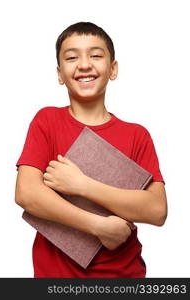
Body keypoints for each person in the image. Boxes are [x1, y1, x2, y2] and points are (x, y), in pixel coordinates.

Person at [15, 22, 167, 278]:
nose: (84, 64)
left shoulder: (137, 135)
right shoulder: (47, 121)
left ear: (113, 69)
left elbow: (156, 210)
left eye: (96, 55)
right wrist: (99, 226)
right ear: (60, 73)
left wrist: (82, 185)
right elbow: (27, 193)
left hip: (124, 278)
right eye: (72, 57)